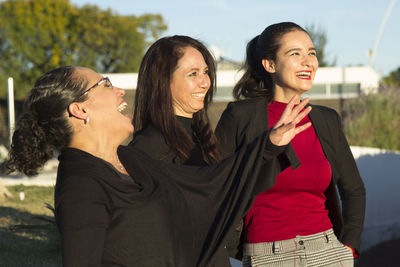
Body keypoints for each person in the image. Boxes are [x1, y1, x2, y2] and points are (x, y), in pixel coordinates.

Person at [4, 65, 310, 266]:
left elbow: (206, 185)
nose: (120, 91)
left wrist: (269, 144)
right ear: (80, 109)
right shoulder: (81, 186)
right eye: (105, 84)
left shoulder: (129, 159)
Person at [129, 35, 312, 266]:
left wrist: (270, 146)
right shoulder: (148, 147)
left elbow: (229, 192)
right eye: (192, 74)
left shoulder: (202, 138)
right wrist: (265, 147)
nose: (204, 82)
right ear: (162, 81)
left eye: (205, 72)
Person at [215, 22, 366, 267]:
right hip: (267, 256)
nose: (308, 62)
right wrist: (269, 145)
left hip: (328, 252)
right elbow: (218, 183)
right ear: (270, 64)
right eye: (295, 54)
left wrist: (348, 247)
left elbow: (354, 189)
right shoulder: (240, 117)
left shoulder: (326, 119)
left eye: (312, 53)